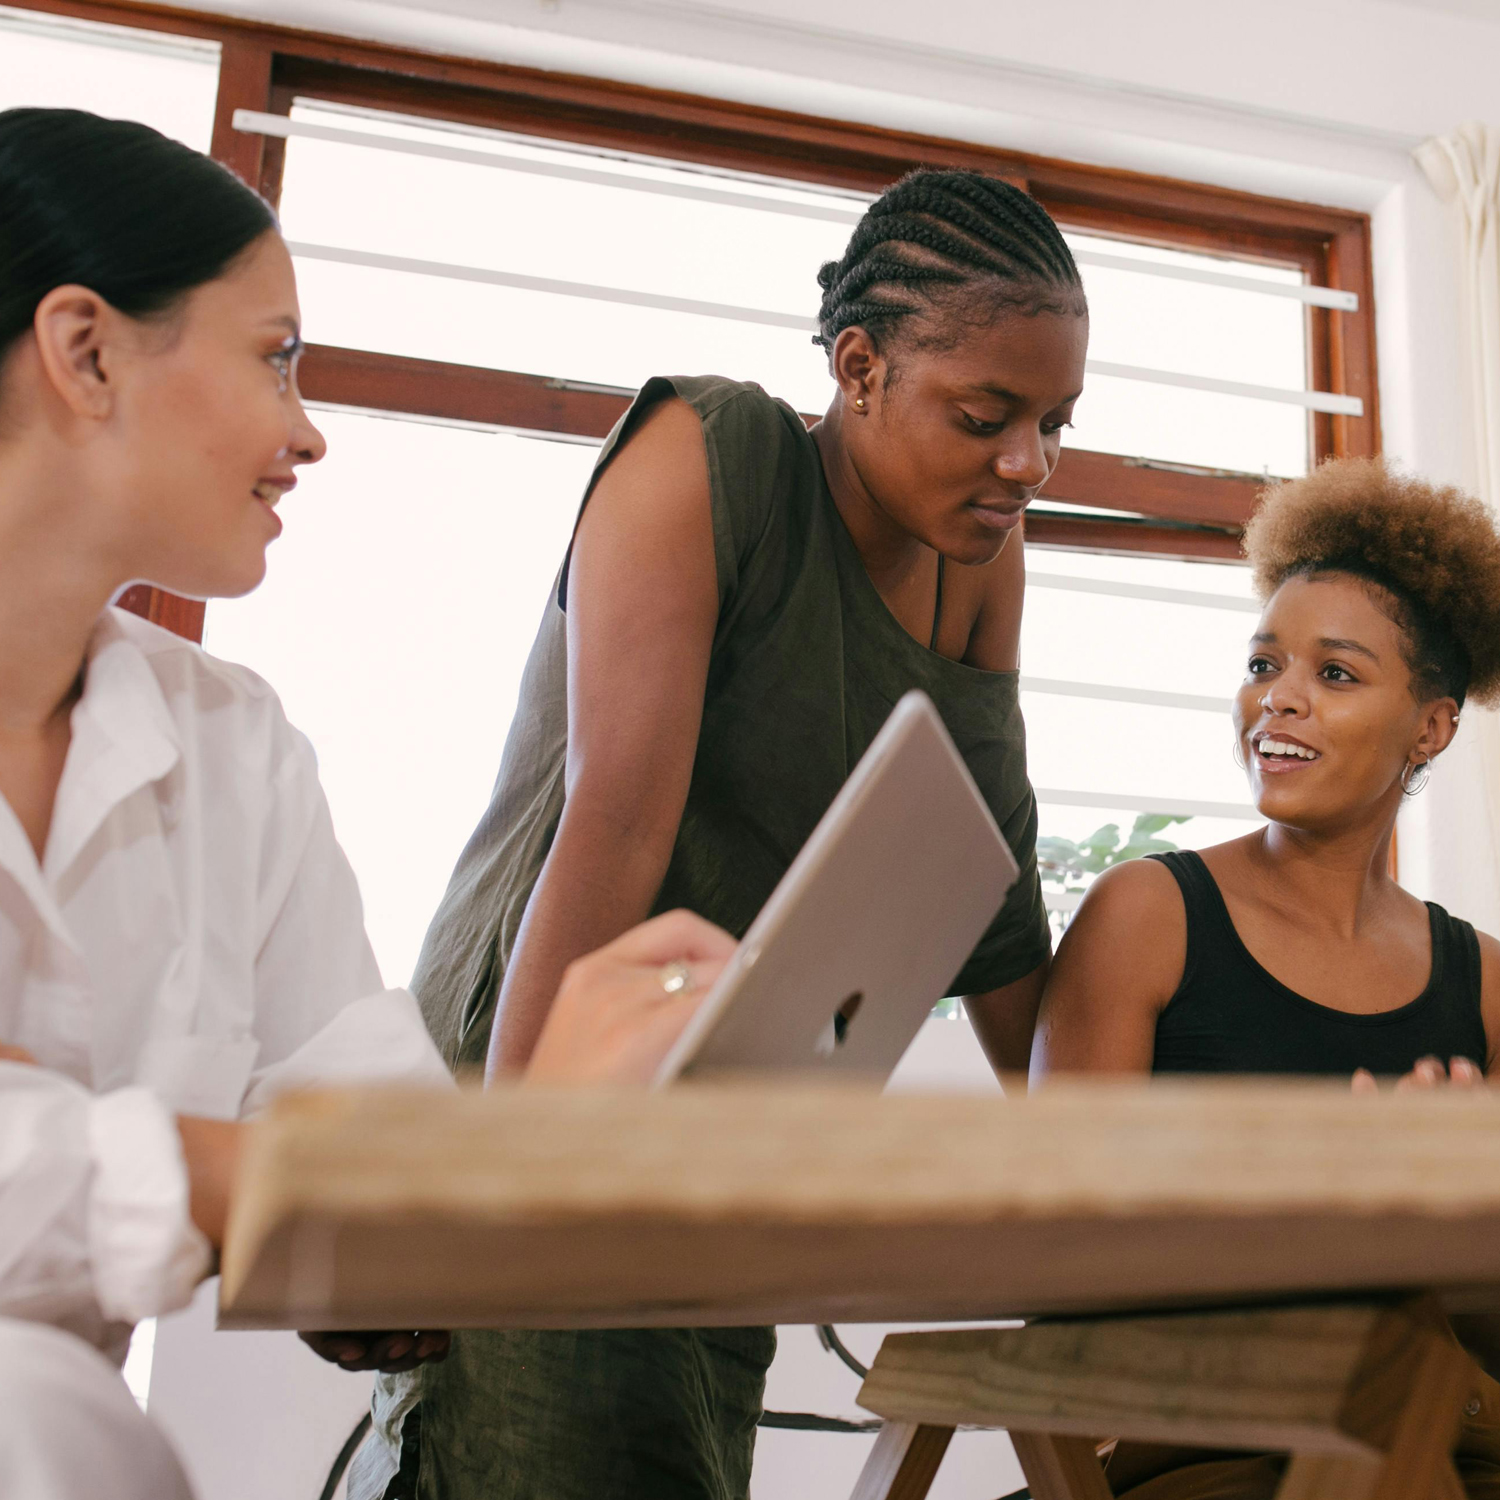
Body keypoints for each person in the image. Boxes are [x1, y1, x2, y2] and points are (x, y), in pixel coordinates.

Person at [0, 106, 737, 1500]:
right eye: (276, 360)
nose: (309, 432)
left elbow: (358, 1142)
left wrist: (530, 1150)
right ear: (86, 351)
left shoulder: (235, 749)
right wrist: (286, 1184)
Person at [362, 171, 1090, 1499]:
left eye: (1055, 424)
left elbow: (991, 886)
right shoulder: (710, 455)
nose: (1026, 463)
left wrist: (1110, 1157)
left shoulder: (983, 556)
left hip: (729, 1116)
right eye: (986, 417)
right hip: (544, 1069)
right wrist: (497, 1192)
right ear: (859, 368)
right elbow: (615, 829)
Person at [1031, 456, 1500, 1499]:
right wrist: (1343, 1212)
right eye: (1262, 663)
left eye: (1334, 675)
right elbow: (1057, 1246)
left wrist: (1456, 1225)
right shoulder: (1147, 917)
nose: (1275, 701)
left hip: (1442, 1437)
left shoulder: (1484, 982)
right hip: (1199, 1447)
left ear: (1430, 727)